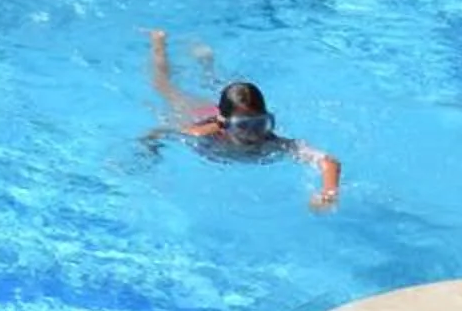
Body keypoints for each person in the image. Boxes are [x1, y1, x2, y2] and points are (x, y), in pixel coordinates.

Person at [143, 29, 342, 212]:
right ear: (223, 123)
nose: (254, 134)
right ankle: (159, 43)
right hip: (198, 112)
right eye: (244, 126)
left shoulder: (271, 142)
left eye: (260, 124)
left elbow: (328, 161)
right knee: (165, 87)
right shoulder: (201, 135)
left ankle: (207, 62)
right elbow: (160, 132)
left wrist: (328, 193)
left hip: (225, 110)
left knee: (213, 82)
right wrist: (149, 153)